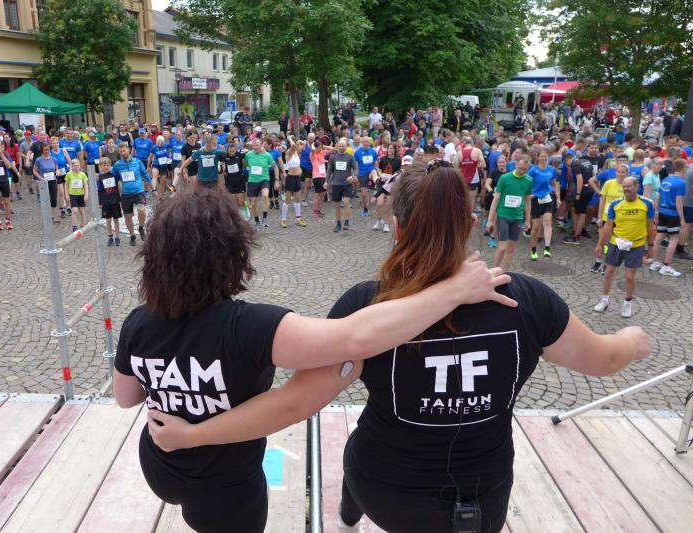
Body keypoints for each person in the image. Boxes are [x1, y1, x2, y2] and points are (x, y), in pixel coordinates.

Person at [145, 161, 650, 533]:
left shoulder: (367, 305)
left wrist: (195, 435)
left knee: (356, 463)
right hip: (486, 493)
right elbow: (605, 359)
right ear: (471, 223)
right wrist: (632, 340)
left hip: (382, 487)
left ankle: (347, 516)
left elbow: (297, 402)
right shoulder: (528, 299)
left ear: (398, 226)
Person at [113, 186, 519, 533]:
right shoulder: (250, 326)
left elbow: (126, 397)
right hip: (226, 483)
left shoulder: (137, 323)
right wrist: (454, 290)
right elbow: (354, 338)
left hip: (160, 463)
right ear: (233, 254)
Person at [594, 177, 653, 317]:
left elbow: (650, 226)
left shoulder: (647, 204)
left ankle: (627, 303)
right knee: (609, 272)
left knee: (629, 277)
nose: (626, 189)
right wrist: (600, 244)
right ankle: (604, 300)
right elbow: (608, 226)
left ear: (637, 187)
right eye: (624, 186)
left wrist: (651, 245)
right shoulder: (615, 204)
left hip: (636, 245)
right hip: (616, 243)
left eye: (629, 186)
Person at [486, 154, 533, 270]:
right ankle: (494, 271)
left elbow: (527, 200)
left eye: (525, 169)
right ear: (516, 164)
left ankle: (505, 272)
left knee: (511, 247)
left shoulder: (529, 180)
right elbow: (496, 199)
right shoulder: (505, 178)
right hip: (503, 215)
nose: (522, 171)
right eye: (520, 168)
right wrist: (490, 220)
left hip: (517, 217)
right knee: (502, 247)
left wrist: (528, 220)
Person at [648, 159, 687, 277]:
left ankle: (655, 262)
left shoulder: (665, 179)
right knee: (674, 239)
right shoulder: (681, 183)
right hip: (673, 213)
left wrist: (656, 212)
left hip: (662, 211)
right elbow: (679, 202)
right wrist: (682, 219)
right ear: (683, 168)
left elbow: (658, 197)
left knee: (659, 237)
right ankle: (666, 266)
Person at [111, 143, 152, 246]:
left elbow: (145, 174)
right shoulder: (117, 165)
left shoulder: (137, 162)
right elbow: (111, 175)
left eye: (124, 151)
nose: (122, 153)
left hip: (138, 192)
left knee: (141, 209)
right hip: (126, 194)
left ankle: (141, 228)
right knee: (128, 217)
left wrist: (152, 186)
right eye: (120, 152)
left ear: (128, 150)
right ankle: (132, 235)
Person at [527, 150, 560, 260]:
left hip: (548, 198)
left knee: (547, 221)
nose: (544, 158)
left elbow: (554, 184)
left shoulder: (552, 169)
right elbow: (527, 183)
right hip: (535, 199)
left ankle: (547, 248)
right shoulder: (533, 170)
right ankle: (533, 249)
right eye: (542, 156)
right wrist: (529, 194)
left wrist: (558, 198)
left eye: (546, 156)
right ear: (538, 158)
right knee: (536, 227)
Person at [327, 139, 358, 232]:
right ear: (337, 147)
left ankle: (347, 222)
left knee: (346, 202)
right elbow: (330, 170)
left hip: (346, 184)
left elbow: (356, 169)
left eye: (343, 146)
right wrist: (326, 181)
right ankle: (338, 223)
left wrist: (352, 176)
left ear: (346, 146)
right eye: (340, 146)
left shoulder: (350, 157)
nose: (341, 148)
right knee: (337, 205)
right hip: (336, 183)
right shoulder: (333, 157)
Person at [244, 138, 275, 230]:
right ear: (251, 146)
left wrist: (277, 179)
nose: (255, 147)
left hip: (264, 179)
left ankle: (264, 218)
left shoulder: (267, 155)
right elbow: (246, 164)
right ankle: (257, 221)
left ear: (261, 145)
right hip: (252, 181)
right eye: (254, 145)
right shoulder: (248, 154)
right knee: (253, 203)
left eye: (257, 145)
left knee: (265, 196)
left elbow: (275, 166)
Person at [281, 137, 307, 228]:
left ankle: (298, 219)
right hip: (290, 178)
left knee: (297, 199)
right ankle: (283, 220)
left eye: (298, 145)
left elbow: (304, 144)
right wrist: (289, 138)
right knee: (287, 200)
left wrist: (300, 141)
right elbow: (293, 146)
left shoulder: (296, 153)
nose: (298, 146)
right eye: (296, 144)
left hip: (297, 179)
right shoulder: (288, 152)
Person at [33, 141, 60, 224]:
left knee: (54, 199)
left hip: (53, 181)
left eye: (48, 150)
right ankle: (47, 216)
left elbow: (56, 169)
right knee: (45, 200)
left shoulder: (54, 159)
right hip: (44, 182)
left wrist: (57, 172)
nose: (46, 151)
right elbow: (34, 171)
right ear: (42, 150)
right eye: (45, 150)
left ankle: (54, 216)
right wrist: (41, 178)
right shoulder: (39, 160)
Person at [97, 157, 122, 247]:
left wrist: (120, 196)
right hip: (106, 202)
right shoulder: (100, 177)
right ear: (100, 166)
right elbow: (100, 190)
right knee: (108, 220)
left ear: (110, 165)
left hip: (115, 200)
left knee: (116, 220)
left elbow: (120, 181)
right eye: (104, 165)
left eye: (107, 165)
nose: (106, 167)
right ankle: (110, 237)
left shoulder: (114, 174)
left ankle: (117, 237)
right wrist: (100, 202)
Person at [65, 159, 89, 231]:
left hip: (81, 194)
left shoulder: (83, 174)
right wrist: (66, 195)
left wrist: (86, 194)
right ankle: (74, 226)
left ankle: (83, 225)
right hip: (73, 195)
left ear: (80, 166)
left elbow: (86, 185)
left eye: (77, 165)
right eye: (74, 166)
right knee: (74, 211)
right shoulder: (69, 174)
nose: (76, 167)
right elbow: (66, 185)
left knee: (82, 210)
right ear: (72, 166)